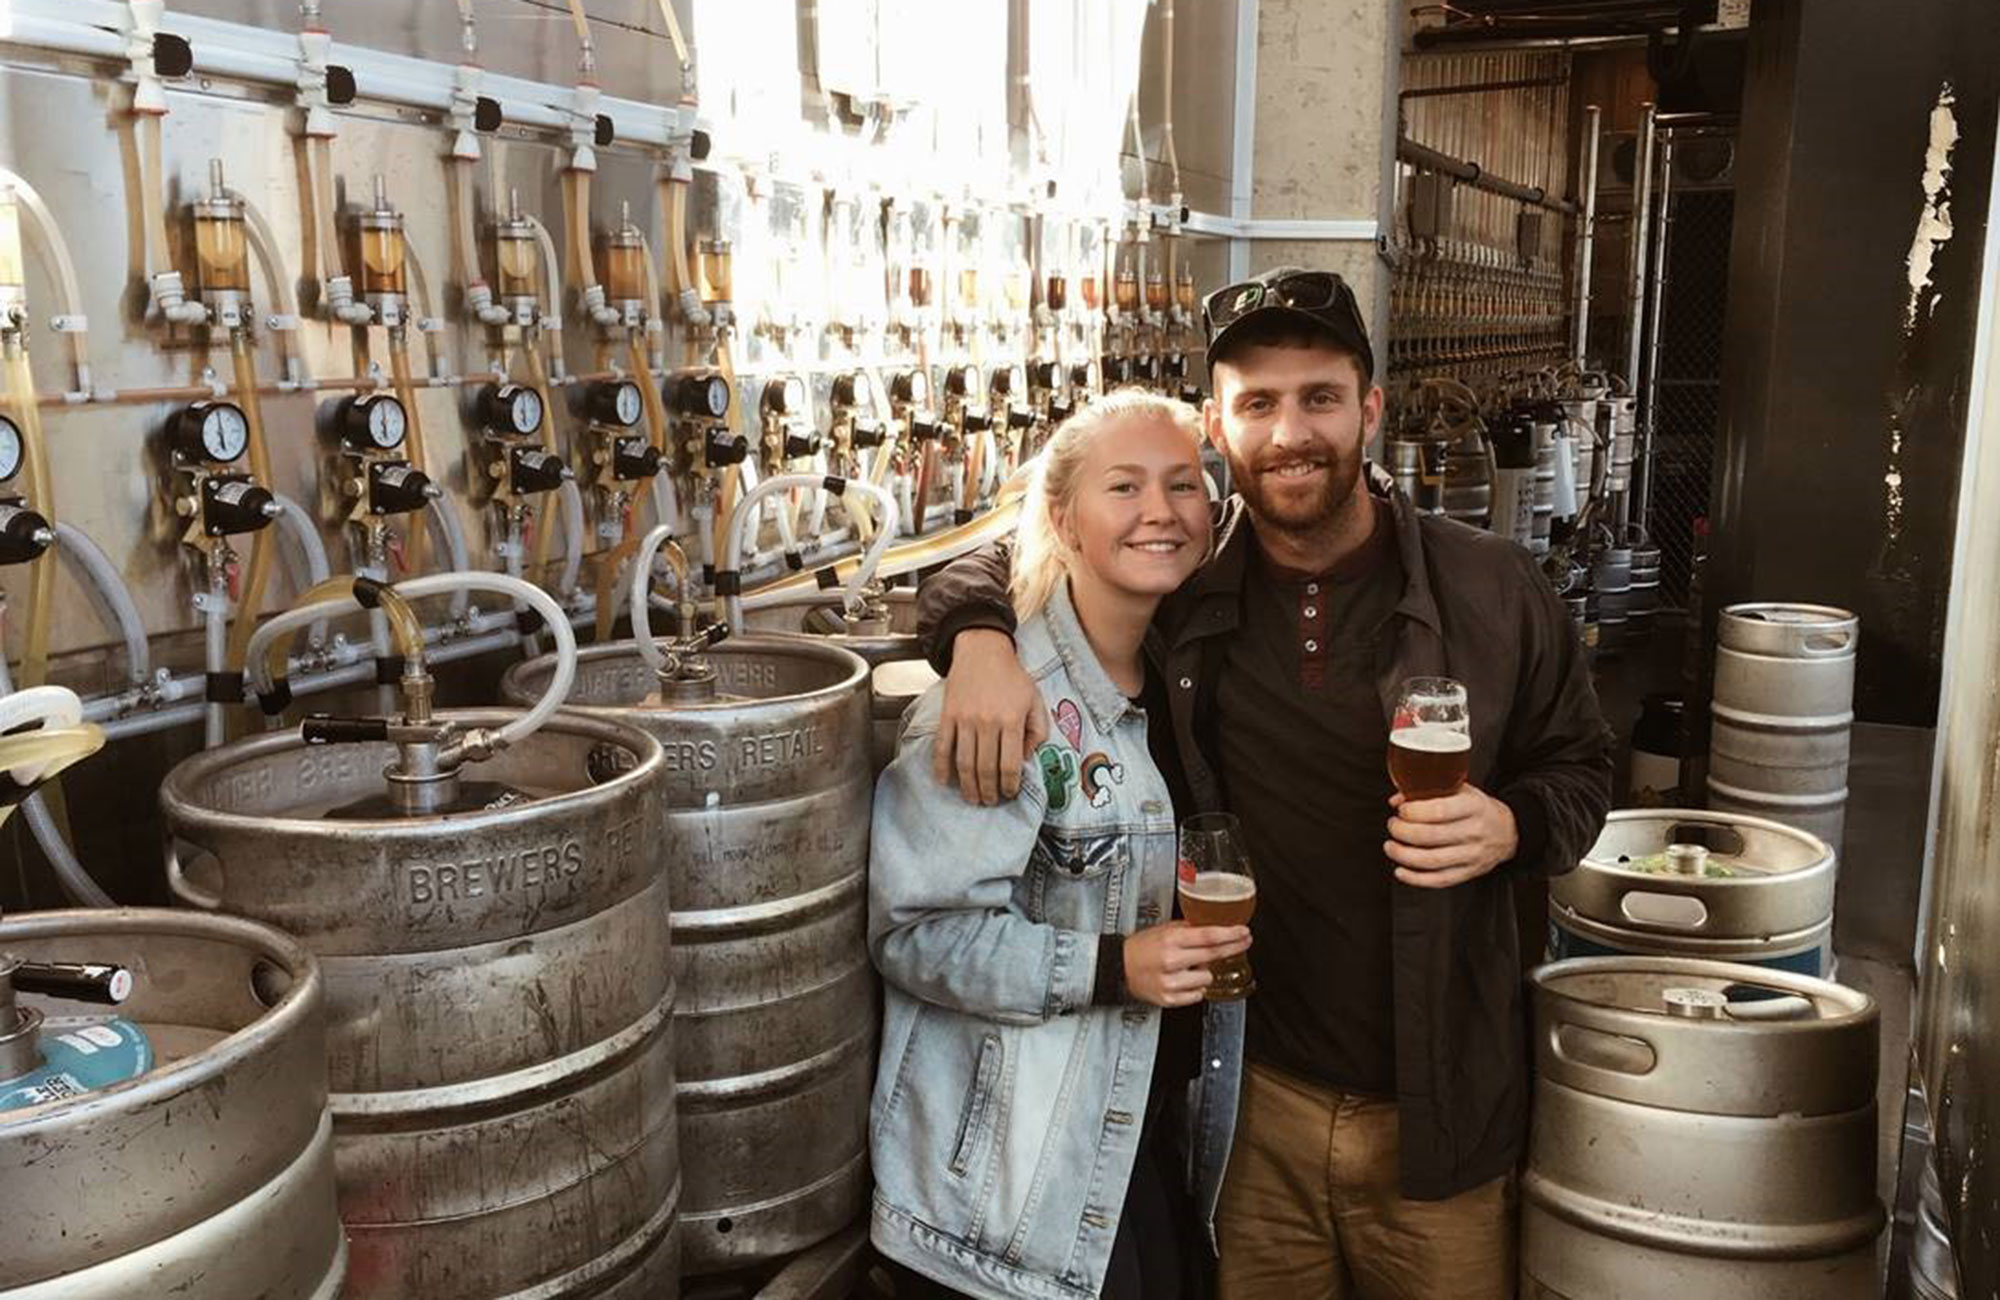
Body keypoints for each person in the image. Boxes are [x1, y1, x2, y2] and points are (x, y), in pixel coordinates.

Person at [911, 267, 1614, 1300]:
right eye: (1258, 404)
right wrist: (971, 635)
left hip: (1441, 1108)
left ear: (1367, 409)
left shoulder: (1492, 587)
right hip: (1251, 1111)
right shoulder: (1187, 588)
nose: (1291, 432)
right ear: (1217, 426)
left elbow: (1584, 768)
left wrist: (1510, 822)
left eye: (1319, 398)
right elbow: (1025, 546)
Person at [869, 389, 1255, 1300]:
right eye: (1123, 486)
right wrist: (1116, 966)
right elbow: (918, 934)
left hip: (1139, 1145)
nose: (1160, 511)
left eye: (1183, 484)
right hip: (1005, 1204)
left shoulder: (1187, 669)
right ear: (1062, 517)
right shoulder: (999, 707)